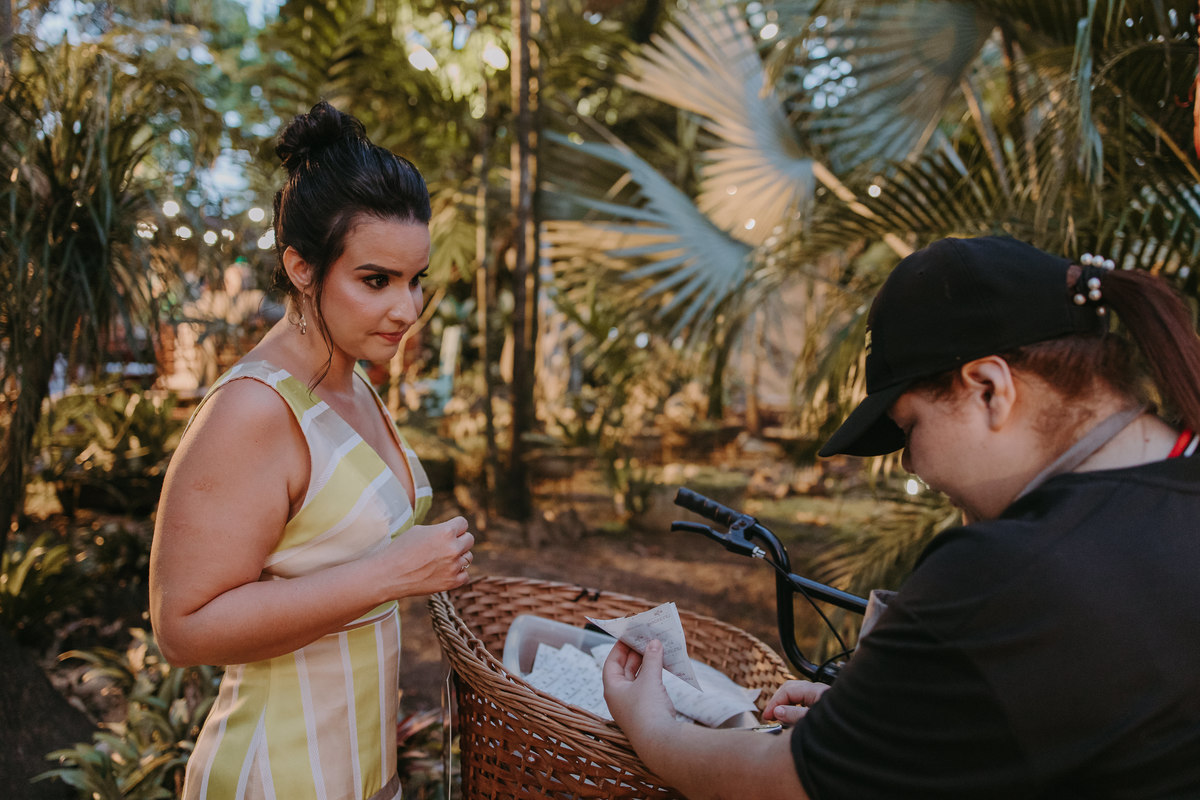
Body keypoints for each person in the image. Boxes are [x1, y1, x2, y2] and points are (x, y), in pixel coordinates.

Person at [602, 235, 1200, 799]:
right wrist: (887, 721)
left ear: (990, 389)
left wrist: (654, 728)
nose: (911, 461)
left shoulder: (1012, 566)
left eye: (910, 427)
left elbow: (786, 785)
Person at [150, 101, 475, 800]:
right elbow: (182, 629)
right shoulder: (252, 412)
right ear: (301, 267)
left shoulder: (352, 378)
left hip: (363, 773)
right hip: (277, 774)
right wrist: (388, 573)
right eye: (376, 280)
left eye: (415, 280)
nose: (407, 309)